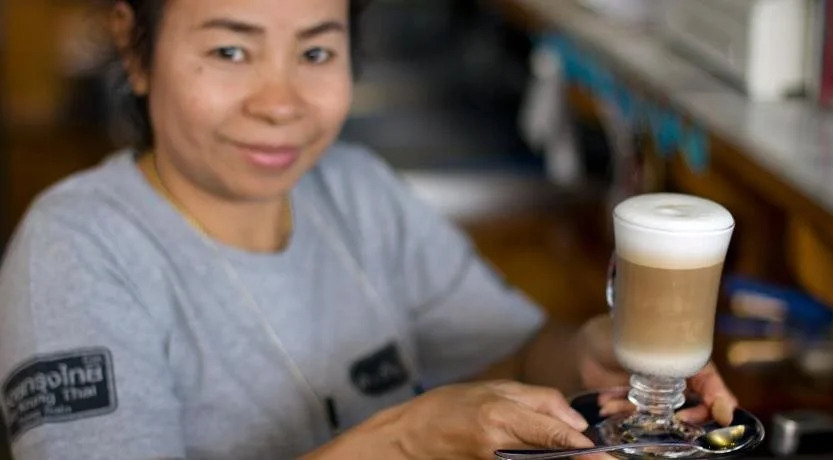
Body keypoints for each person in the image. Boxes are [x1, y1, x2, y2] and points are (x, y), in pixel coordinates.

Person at [0, 0, 738, 458]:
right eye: (230, 50)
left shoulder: (356, 191)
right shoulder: (77, 251)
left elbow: (507, 350)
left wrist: (581, 357)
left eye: (316, 51)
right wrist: (403, 441)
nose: (280, 102)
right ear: (135, 48)